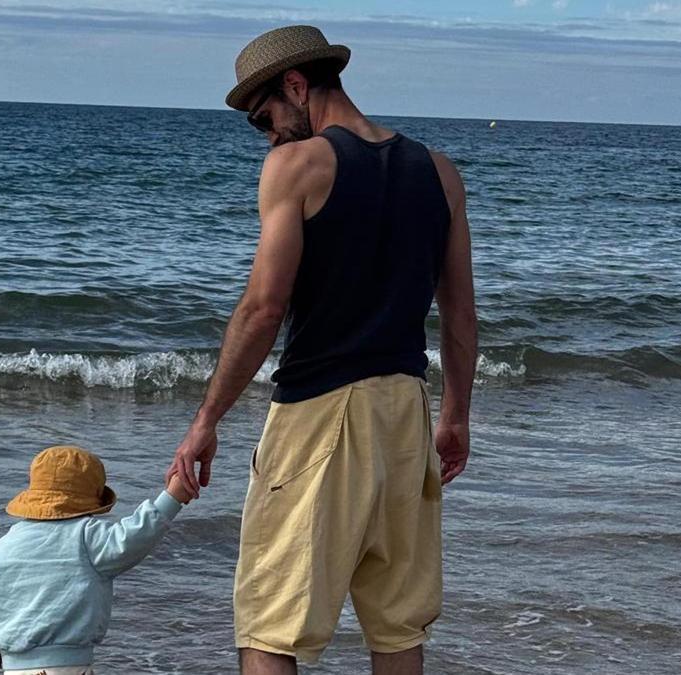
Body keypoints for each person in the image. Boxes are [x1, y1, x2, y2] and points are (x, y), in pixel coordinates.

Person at [167, 25, 478, 675]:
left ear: (297, 86)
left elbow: (262, 309)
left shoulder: (297, 165)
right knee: (397, 628)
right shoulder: (440, 172)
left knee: (271, 625)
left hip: (319, 416)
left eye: (265, 117)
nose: (268, 134)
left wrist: (205, 421)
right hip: (405, 414)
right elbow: (460, 315)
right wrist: (454, 418)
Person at [0, 445, 193, 674]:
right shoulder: (85, 535)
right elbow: (133, 537)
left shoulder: (3, 545)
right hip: (66, 667)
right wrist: (172, 498)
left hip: (14, 668)